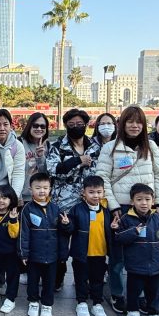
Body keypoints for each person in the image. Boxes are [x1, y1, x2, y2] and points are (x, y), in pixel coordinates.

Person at [95, 106, 159, 314]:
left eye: (139, 122)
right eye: (130, 121)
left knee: (146, 254)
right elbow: (102, 178)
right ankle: (118, 293)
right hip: (120, 209)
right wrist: (113, 206)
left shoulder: (151, 146)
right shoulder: (110, 147)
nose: (134, 125)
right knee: (117, 256)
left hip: (146, 209)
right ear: (122, 124)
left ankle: (142, 296)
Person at [46, 108, 101, 291]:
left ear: (86, 125)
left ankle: (82, 280)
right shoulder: (57, 146)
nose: (76, 127)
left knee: (84, 244)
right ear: (65, 125)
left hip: (88, 204)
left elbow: (99, 172)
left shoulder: (95, 147)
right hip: (62, 204)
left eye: (79, 124)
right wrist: (78, 161)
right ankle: (58, 277)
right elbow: (54, 170)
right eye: (71, 124)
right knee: (60, 246)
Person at [113, 183, 159, 316]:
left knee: (154, 292)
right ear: (132, 202)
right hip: (135, 265)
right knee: (134, 290)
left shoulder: (158, 219)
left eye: (147, 199)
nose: (144, 203)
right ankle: (132, 311)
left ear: (153, 201)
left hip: (155, 265)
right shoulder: (126, 219)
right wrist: (133, 232)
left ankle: (153, 313)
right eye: (139, 199)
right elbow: (119, 238)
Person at [16, 172, 68, 316]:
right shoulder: (27, 209)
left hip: (52, 255)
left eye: (45, 188)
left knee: (49, 282)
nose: (42, 191)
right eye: (38, 188)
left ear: (50, 189)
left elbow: (63, 234)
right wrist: (23, 253)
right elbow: (23, 233)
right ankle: (33, 302)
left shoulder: (56, 208)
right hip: (34, 255)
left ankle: (47, 304)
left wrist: (66, 225)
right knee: (33, 280)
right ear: (30, 189)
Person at [64, 175, 113, 316]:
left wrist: (114, 228)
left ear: (103, 192)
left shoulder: (106, 211)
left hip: (100, 254)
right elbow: (70, 229)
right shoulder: (77, 209)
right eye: (91, 192)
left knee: (97, 279)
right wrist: (66, 224)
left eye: (99, 192)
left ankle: (97, 303)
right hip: (81, 253)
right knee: (81, 278)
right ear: (83, 192)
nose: (95, 195)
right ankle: (82, 302)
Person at [19, 112, 51, 204]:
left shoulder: (48, 145)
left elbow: (45, 174)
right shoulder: (19, 143)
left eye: (42, 126)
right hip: (22, 197)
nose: (39, 129)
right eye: (35, 126)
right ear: (29, 126)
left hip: (41, 197)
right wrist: (17, 195)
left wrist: (40, 157)